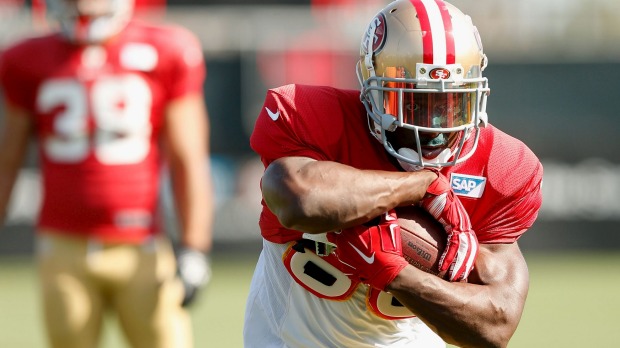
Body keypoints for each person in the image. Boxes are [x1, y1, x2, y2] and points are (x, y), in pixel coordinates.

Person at [243, 0, 543, 347]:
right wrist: (421, 186)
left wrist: (395, 274)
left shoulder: (503, 167)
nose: (434, 126)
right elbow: (301, 199)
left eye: (451, 104)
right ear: (372, 89)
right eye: (415, 102)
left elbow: (495, 326)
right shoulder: (313, 117)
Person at [0, 1, 214, 347]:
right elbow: (6, 160)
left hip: (141, 243)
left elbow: (187, 157)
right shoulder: (26, 59)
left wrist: (195, 246)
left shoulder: (167, 50)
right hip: (63, 243)